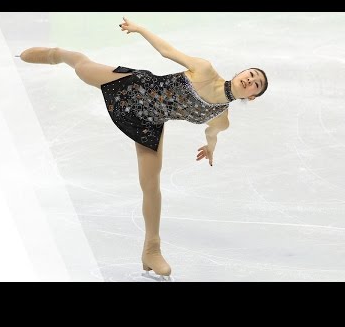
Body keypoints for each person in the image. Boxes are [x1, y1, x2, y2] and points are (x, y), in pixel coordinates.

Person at [19, 17, 268, 280]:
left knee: (151, 185)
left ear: (251, 96)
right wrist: (140, 29)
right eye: (250, 75)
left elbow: (213, 131)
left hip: (150, 122)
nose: (250, 80)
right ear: (240, 73)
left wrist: (210, 147)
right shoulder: (205, 70)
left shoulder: (221, 117)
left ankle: (151, 249)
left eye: (256, 84)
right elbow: (167, 52)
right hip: (133, 87)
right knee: (83, 67)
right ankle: (58, 54)